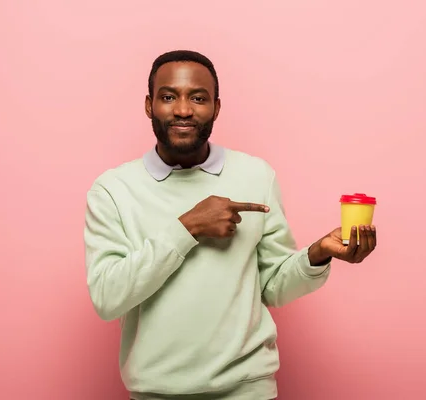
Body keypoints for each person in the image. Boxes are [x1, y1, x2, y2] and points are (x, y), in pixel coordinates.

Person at [84, 49, 377, 400]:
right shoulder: (113, 190)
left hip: (247, 390)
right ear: (149, 106)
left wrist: (316, 255)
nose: (182, 109)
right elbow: (107, 297)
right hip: (156, 393)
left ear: (216, 108)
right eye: (167, 97)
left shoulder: (255, 175)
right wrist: (188, 227)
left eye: (198, 98)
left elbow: (272, 287)